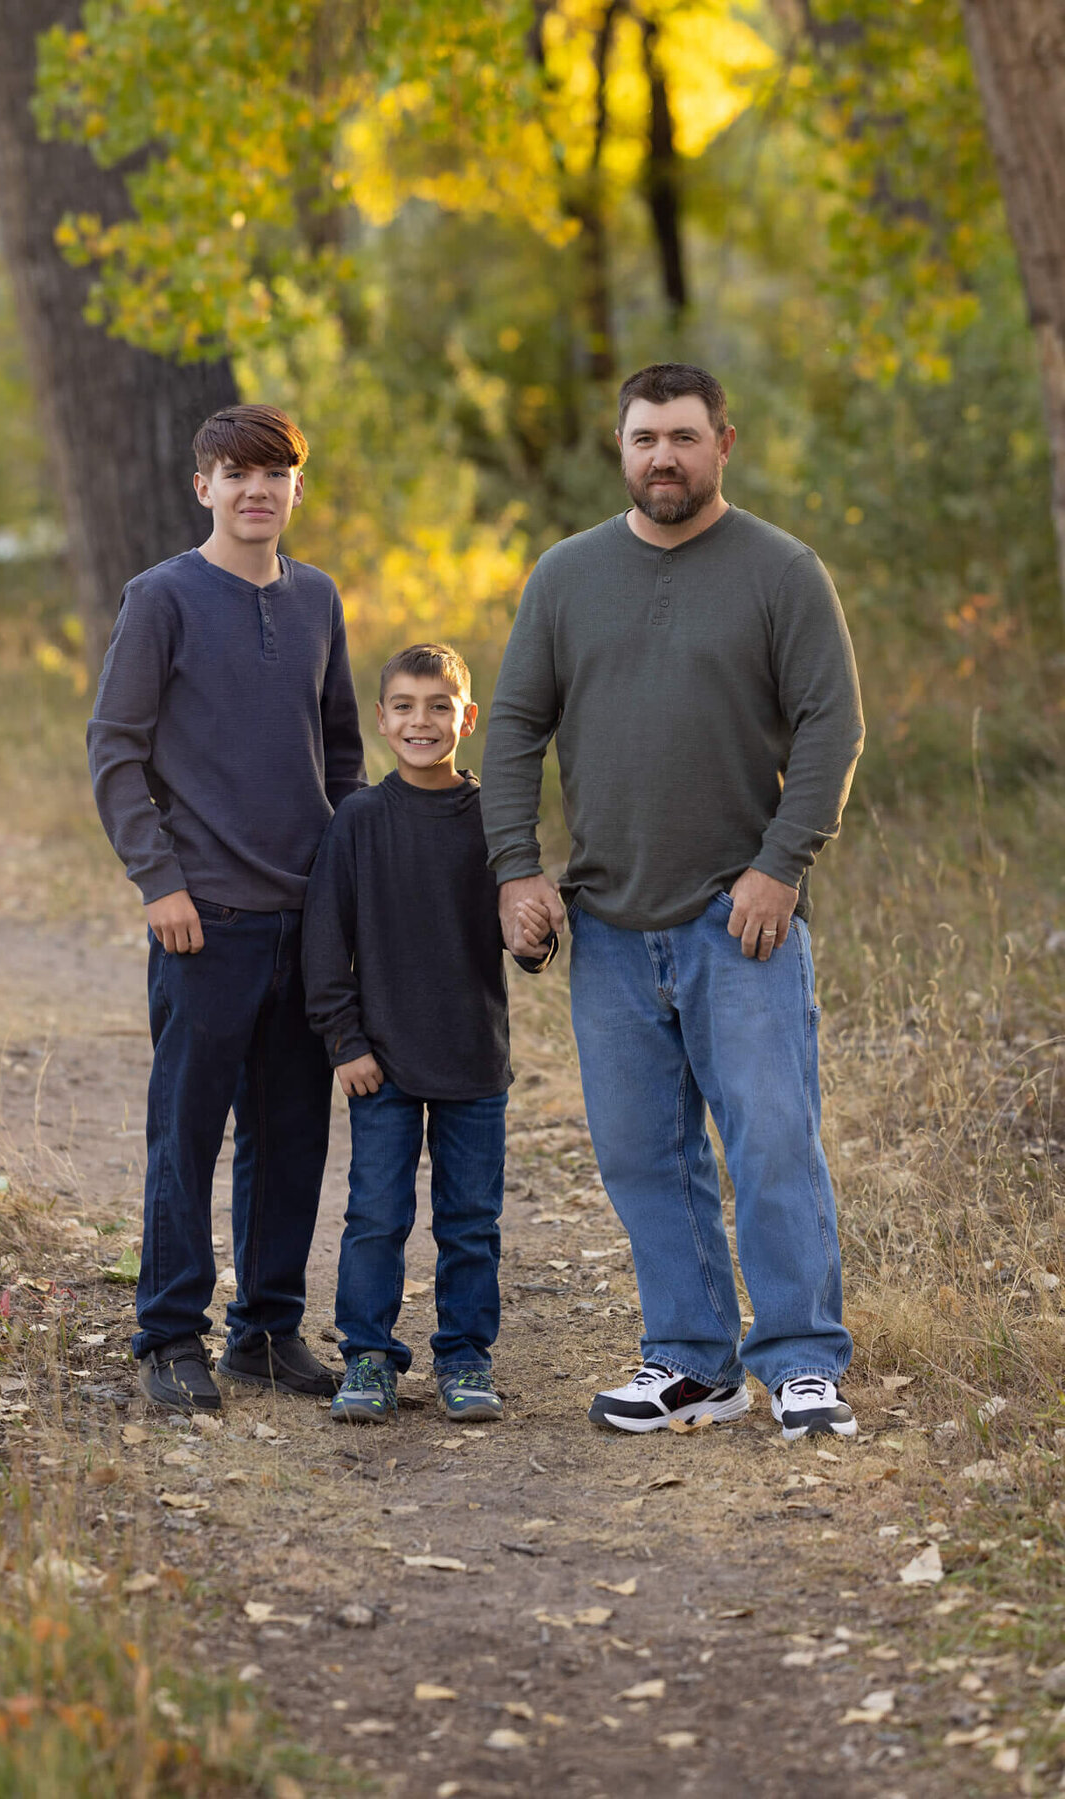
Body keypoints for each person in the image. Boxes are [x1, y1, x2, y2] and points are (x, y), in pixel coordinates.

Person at [481, 363, 865, 1443]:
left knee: (772, 1139)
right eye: (645, 437)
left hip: (740, 922)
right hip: (605, 923)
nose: (664, 457)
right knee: (644, 1153)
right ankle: (693, 1363)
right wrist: (518, 868)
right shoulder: (567, 576)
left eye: (684, 438)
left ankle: (801, 1363)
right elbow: (512, 728)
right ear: (622, 447)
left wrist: (781, 863)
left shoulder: (782, 572)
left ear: (723, 445)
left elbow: (833, 726)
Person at [88, 402, 366, 1413]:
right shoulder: (161, 596)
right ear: (202, 485)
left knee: (292, 1132)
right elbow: (115, 749)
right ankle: (170, 1335)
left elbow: (340, 757)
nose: (258, 490)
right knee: (187, 1131)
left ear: (298, 487)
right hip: (202, 919)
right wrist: (159, 881)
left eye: (276, 473)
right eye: (236, 473)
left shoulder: (319, 599)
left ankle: (266, 1331)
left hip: (306, 918)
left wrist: (346, 894)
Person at [302, 643, 556, 1425]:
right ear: (381, 720)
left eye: (438, 707)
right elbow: (323, 939)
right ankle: (369, 1357)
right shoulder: (358, 820)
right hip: (383, 1061)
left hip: (473, 1057)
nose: (421, 721)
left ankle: (466, 1356)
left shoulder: (492, 819)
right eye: (405, 707)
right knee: (377, 1213)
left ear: (466, 719)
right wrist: (344, 1040)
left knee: (470, 1220)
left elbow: (524, 929)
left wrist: (537, 940)